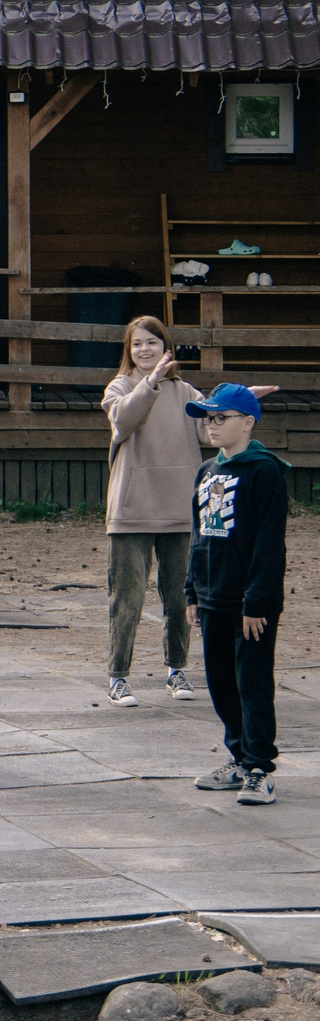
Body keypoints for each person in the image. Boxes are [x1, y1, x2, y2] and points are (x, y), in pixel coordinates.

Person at [184, 383, 292, 807]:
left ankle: (260, 767)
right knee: (221, 682)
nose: (211, 425)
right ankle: (239, 757)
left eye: (220, 418)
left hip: (250, 603)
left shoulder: (263, 471)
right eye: (207, 418)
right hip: (212, 596)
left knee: (251, 682)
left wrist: (256, 602)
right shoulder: (207, 470)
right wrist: (192, 589)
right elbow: (199, 534)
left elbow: (269, 544)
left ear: (247, 422)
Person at [101, 316, 204, 708]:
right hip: (131, 510)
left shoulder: (186, 392)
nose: (145, 350)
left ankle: (177, 669)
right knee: (126, 598)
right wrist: (151, 383)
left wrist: (242, 401)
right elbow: (123, 419)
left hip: (180, 508)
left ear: (166, 348)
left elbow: (210, 425)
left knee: (180, 596)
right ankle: (118, 677)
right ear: (129, 352)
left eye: (152, 343)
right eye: (137, 344)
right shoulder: (120, 388)